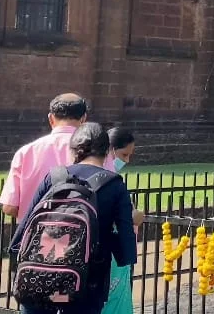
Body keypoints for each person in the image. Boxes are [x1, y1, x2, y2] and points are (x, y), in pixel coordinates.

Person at [10, 124, 137, 314]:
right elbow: (126, 250)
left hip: (39, 279)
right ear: (107, 151)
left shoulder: (54, 177)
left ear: (74, 150)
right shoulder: (114, 184)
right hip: (86, 285)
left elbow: (22, 233)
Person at [1, 94, 115, 221]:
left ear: (51, 118)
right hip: (84, 234)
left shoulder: (25, 152)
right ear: (83, 119)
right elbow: (112, 196)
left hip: (35, 235)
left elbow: (9, 207)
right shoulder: (98, 151)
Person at [101, 128, 138, 314]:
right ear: (110, 150)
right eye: (124, 154)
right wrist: (133, 217)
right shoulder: (106, 178)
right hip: (111, 248)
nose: (126, 160)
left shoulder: (111, 177)